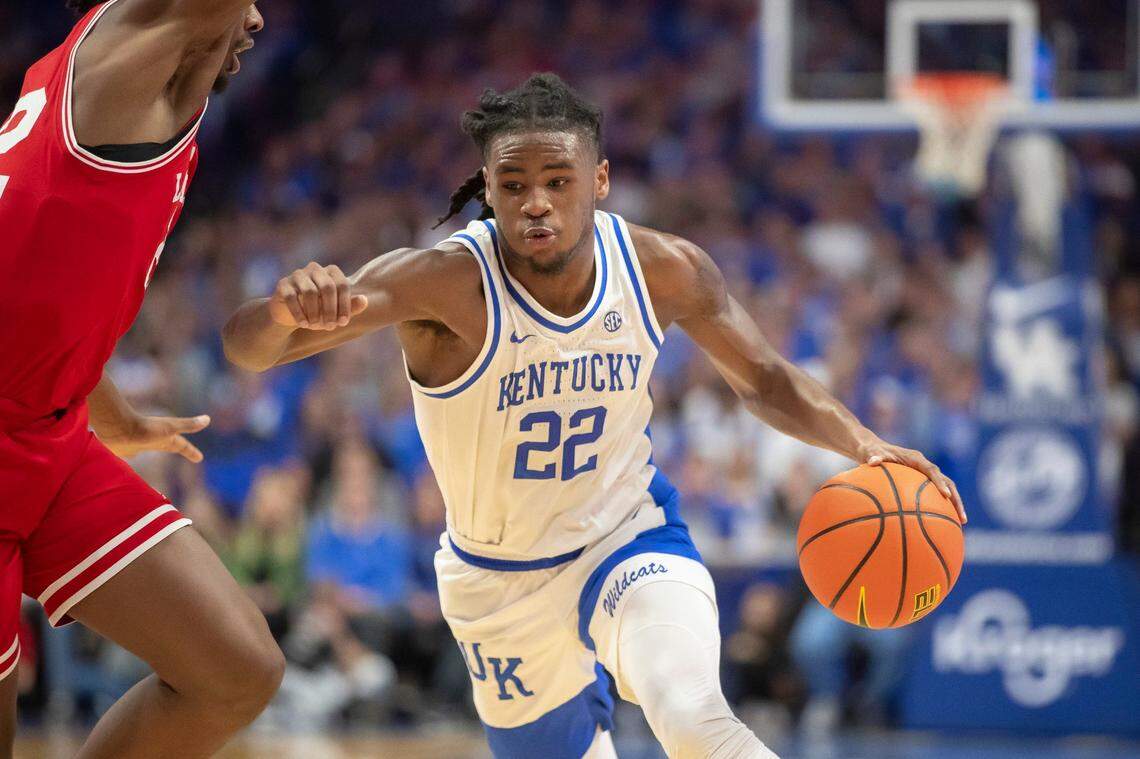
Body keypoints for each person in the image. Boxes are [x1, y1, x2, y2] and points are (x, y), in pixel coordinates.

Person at [223, 73, 967, 759]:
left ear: (600, 181)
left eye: (557, 180)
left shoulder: (663, 268)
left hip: (627, 538)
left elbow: (765, 379)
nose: (535, 201)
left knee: (691, 712)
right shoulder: (444, 284)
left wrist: (866, 443)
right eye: (513, 184)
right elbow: (250, 349)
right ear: (488, 186)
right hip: (497, 582)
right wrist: (286, 309)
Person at [0, 1, 283, 756]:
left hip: (49, 432)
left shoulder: (105, 75)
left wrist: (109, 408)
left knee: (236, 669)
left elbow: (40, 274)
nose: (253, 19)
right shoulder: (134, 54)